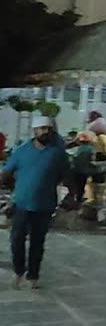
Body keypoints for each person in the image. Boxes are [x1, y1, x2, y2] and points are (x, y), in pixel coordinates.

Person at [1, 115, 68, 289]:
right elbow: (6, 172)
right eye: (42, 128)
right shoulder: (22, 151)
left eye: (48, 129)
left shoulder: (58, 154)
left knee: (38, 242)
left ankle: (33, 275)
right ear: (35, 130)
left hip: (44, 206)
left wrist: (72, 195)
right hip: (22, 204)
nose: (46, 132)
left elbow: (67, 176)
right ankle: (18, 271)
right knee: (17, 240)